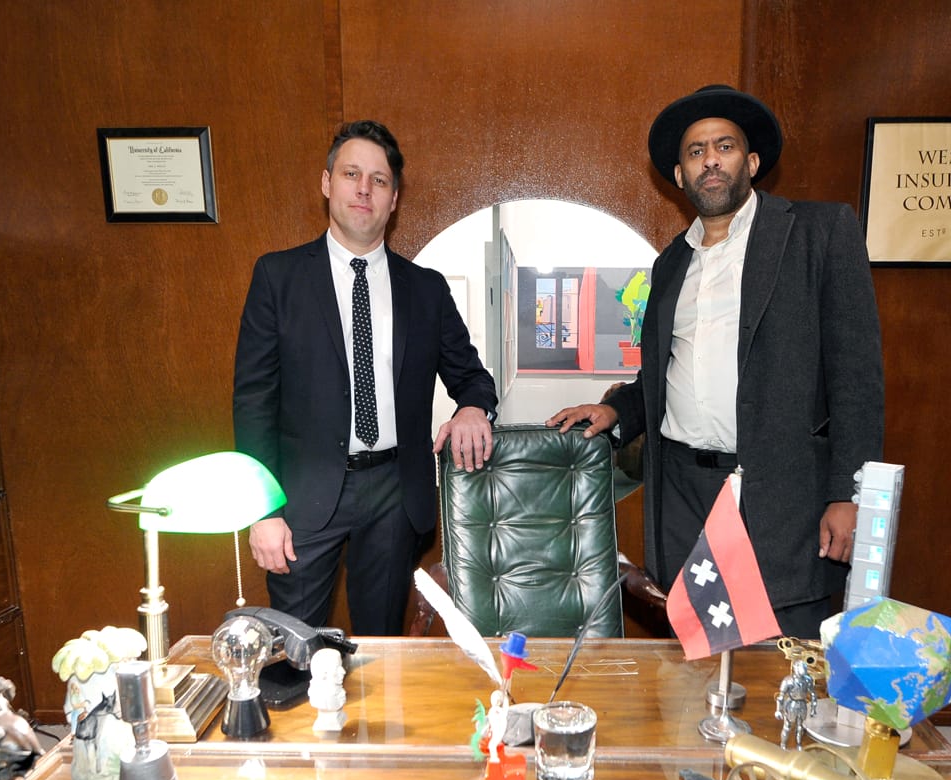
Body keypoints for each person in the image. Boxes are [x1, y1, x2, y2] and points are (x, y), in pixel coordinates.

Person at [547, 85, 884, 637]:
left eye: (723, 146)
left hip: (781, 494)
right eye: (695, 151)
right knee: (697, 654)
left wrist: (849, 494)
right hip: (684, 492)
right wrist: (620, 411)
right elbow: (667, 374)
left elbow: (858, 380)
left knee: (782, 658)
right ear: (679, 175)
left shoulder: (818, 235)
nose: (710, 160)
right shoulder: (670, 265)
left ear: (750, 162)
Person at [234, 120, 497, 635]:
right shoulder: (278, 278)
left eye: (378, 180)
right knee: (293, 650)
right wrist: (261, 510)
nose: (363, 188)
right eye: (352, 173)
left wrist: (471, 408)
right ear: (327, 183)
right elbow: (253, 401)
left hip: (394, 497)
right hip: (301, 498)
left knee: (383, 653)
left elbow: (473, 378)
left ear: (393, 199)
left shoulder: (425, 289)